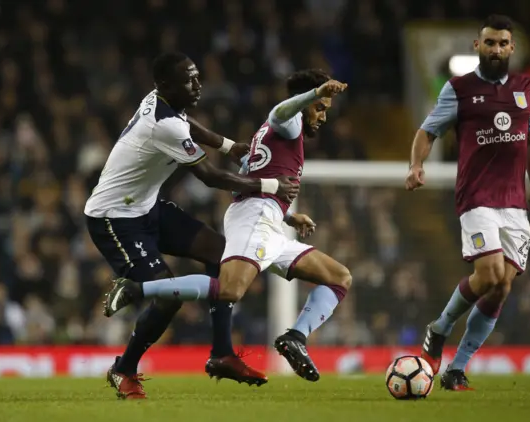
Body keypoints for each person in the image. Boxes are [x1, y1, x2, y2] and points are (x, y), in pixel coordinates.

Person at [104, 69, 353, 382]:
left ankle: (295, 338)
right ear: (303, 102)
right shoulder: (287, 123)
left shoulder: (269, 140)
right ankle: (136, 289)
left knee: (338, 277)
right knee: (229, 289)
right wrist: (314, 95)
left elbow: (244, 183)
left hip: (267, 221)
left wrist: (289, 217)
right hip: (255, 219)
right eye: (320, 108)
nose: (323, 116)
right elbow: (282, 111)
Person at [85, 51, 299, 399]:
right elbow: (210, 178)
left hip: (146, 208)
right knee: (168, 295)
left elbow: (189, 124)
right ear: (167, 85)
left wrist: (229, 145)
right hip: (114, 218)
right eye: (190, 79)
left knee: (220, 253)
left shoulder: (162, 103)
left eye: (198, 76)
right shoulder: (163, 125)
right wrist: (270, 185)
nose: (199, 84)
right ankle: (124, 369)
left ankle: (222, 354)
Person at [405, 15, 530, 391]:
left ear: (512, 48)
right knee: (489, 275)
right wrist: (416, 165)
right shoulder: (459, 89)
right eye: (490, 43)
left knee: (502, 287)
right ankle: (440, 328)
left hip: (514, 202)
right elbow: (427, 129)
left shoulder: (527, 87)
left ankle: (457, 368)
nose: (496, 49)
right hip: (477, 197)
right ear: (477, 46)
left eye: (503, 43)